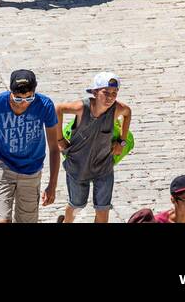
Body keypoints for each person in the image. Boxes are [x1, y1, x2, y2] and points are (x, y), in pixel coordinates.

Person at [0, 69, 60, 223]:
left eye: (29, 98)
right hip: (3, 165)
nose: (24, 102)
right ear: (10, 92)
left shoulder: (45, 105)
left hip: (31, 171)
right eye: (18, 99)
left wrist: (52, 185)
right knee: (2, 220)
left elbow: (53, 147)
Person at [55, 73, 131, 224]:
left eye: (114, 94)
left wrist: (122, 141)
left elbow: (128, 113)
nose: (110, 97)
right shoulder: (82, 108)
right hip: (78, 166)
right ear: (95, 92)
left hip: (103, 166)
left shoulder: (117, 109)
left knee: (103, 209)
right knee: (77, 204)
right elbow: (58, 109)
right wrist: (60, 139)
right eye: (106, 93)